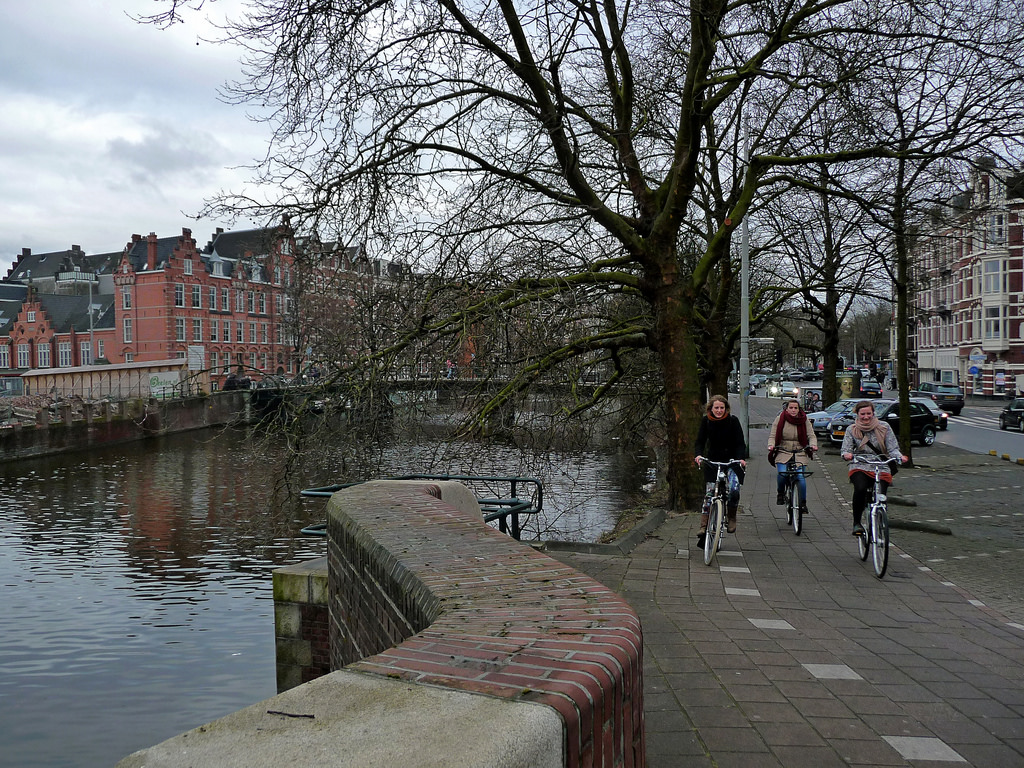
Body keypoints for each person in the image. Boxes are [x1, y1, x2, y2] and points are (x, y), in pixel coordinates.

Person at [840, 400, 908, 536]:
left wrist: (900, 457)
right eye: (863, 414)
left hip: (880, 464)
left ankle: (879, 517)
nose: (866, 417)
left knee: (881, 494)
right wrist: (847, 455)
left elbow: (892, 448)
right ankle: (857, 523)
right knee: (860, 488)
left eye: (869, 414)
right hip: (860, 463)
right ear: (857, 414)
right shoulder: (851, 429)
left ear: (873, 413)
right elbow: (845, 449)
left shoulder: (884, 427)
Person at [693, 395, 748, 545]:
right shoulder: (706, 421)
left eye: (721, 408)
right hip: (713, 461)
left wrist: (741, 459)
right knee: (709, 494)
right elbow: (700, 441)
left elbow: (740, 444)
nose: (719, 410)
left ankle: (731, 517)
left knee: (734, 490)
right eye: (716, 408)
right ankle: (704, 526)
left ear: (726, 409)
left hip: (731, 462)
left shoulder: (733, 421)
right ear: (711, 408)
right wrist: (698, 455)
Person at [766, 399, 818, 521]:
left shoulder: (804, 420)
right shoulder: (780, 419)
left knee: (800, 477)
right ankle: (780, 493)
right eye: (791, 408)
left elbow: (811, 435)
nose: (794, 410)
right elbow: (773, 436)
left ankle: (803, 503)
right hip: (783, 450)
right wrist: (771, 445)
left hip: (800, 451)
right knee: (782, 474)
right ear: (787, 409)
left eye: (796, 408)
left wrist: (813, 445)